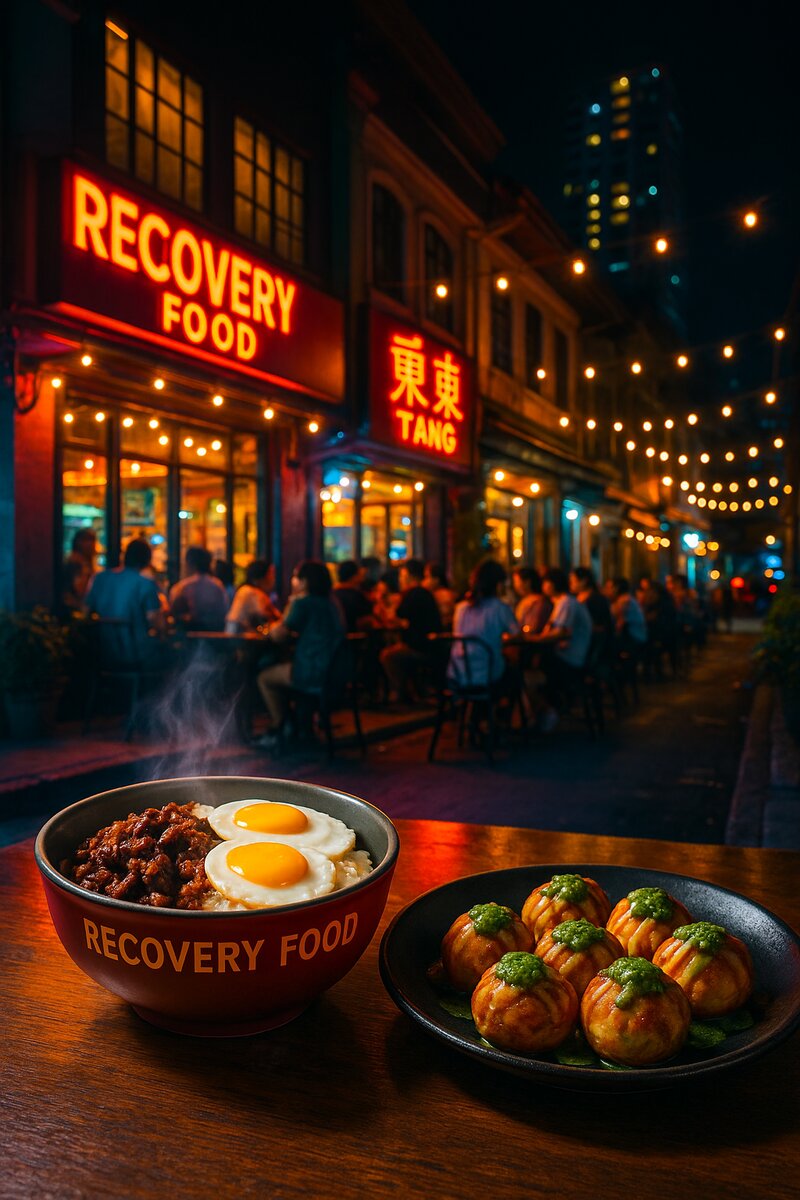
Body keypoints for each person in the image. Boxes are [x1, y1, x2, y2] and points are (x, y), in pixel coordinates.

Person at [255, 560, 344, 748]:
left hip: (311, 670)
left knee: (265, 678)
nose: (294, 581)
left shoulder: (304, 603)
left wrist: (291, 603)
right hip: (334, 672)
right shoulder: (332, 604)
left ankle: (278, 726)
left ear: (304, 581)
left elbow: (279, 633)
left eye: (296, 578)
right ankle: (296, 728)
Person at [85, 537, 166, 668]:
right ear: (147, 561)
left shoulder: (100, 578)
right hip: (136, 652)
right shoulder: (146, 584)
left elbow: (85, 612)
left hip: (101, 650)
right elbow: (156, 621)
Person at [535, 566, 593, 730]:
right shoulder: (565, 602)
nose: (543, 586)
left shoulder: (566, 603)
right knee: (534, 665)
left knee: (530, 668)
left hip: (571, 661)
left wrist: (535, 639)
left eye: (545, 582)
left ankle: (549, 709)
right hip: (573, 657)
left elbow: (558, 632)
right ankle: (546, 708)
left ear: (553, 584)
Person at [448, 559, 519, 689]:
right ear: (498, 584)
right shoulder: (500, 608)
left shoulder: (461, 608)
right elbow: (517, 635)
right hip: (487, 674)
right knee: (516, 673)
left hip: (457, 673)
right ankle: (501, 708)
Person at [379, 558, 442, 702]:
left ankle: (402, 694)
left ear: (409, 575)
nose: (400, 579)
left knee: (388, 656)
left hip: (421, 646)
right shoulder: (424, 594)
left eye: (402, 575)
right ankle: (413, 691)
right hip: (430, 644)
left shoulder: (413, 594)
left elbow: (397, 617)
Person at [169, 546, 228, 632]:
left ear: (189, 563)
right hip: (215, 637)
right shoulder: (218, 585)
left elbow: (174, 611)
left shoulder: (183, 587)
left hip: (189, 637)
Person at [225, 560, 281, 634]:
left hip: (232, 635)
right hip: (240, 638)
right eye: (271, 575)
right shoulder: (252, 592)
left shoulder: (244, 589)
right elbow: (266, 614)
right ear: (261, 578)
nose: (273, 580)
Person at [570, 566, 614, 657]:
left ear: (584, 581)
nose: (571, 584)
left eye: (573, 581)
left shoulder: (596, 599)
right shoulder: (577, 598)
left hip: (593, 647)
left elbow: (601, 626)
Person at [332, 560, 373, 633]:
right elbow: (366, 621)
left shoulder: (332, 594)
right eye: (359, 574)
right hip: (355, 639)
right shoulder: (356, 596)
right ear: (354, 576)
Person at [607, 577, 648, 649]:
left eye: (610, 587)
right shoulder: (629, 599)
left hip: (634, 638)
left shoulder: (624, 600)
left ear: (616, 588)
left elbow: (619, 625)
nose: (607, 590)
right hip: (638, 637)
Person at [63, 527, 97, 612]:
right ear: (79, 543)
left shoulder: (78, 560)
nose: (93, 545)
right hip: (74, 609)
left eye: (93, 541)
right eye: (89, 540)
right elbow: (79, 589)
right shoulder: (77, 562)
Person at [512, 566, 551, 634]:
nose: (515, 585)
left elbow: (532, 628)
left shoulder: (538, 602)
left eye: (516, 581)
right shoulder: (525, 600)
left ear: (527, 582)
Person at [423, 561, 457, 629]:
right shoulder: (448, 593)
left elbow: (445, 620)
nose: (424, 581)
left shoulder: (442, 595)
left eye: (427, 577)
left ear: (436, 579)